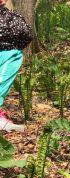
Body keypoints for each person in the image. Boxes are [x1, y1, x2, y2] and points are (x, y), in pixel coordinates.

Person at [0, 0, 32, 132]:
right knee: (14, 54)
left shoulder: (11, 18)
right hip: (9, 53)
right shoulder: (11, 19)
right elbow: (26, 34)